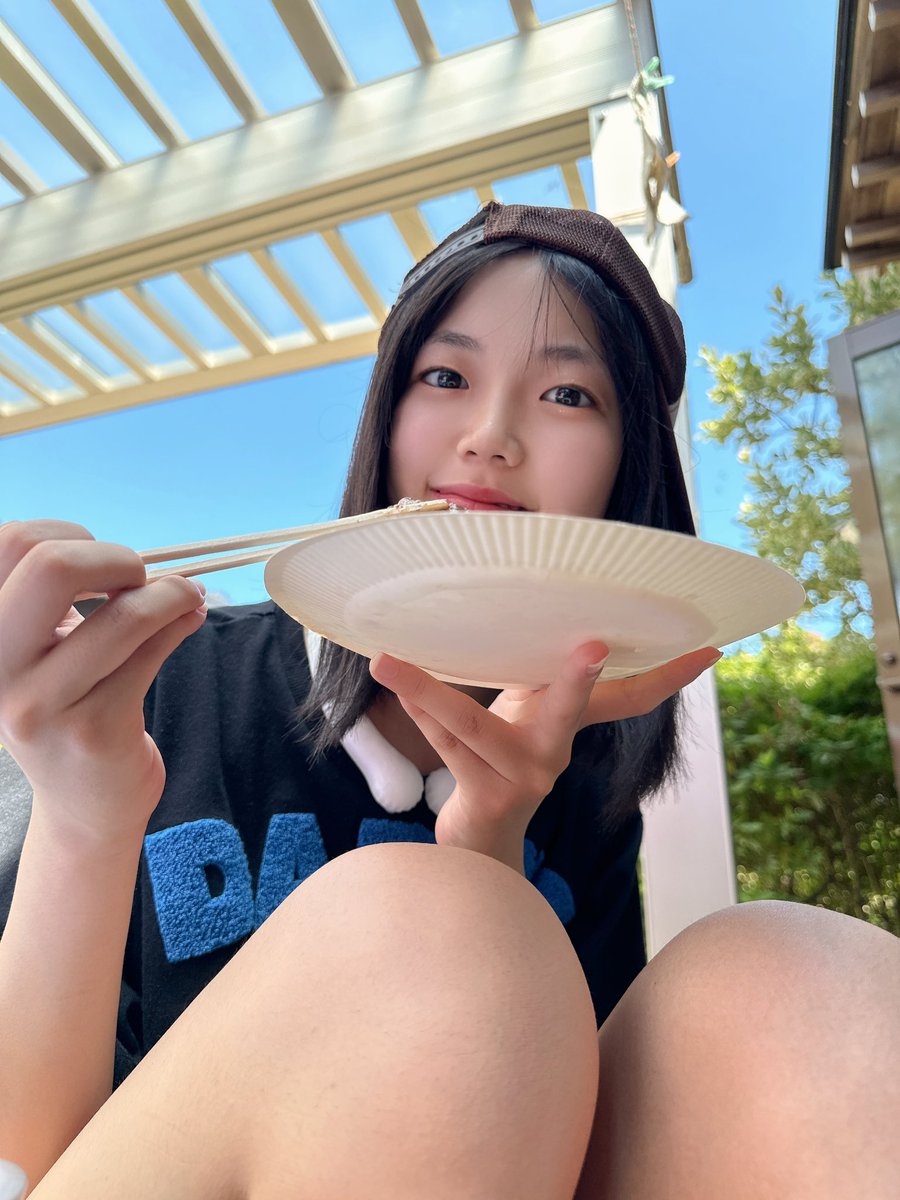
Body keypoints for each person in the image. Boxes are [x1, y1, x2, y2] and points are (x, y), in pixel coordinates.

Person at [0, 203, 896, 1200]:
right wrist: (83, 811)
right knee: (431, 915)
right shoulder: (155, 684)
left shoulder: (588, 778)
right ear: (385, 415)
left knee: (787, 973)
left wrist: (491, 844)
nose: (491, 437)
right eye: (445, 377)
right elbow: (24, 1164)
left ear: (626, 470)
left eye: (567, 394)